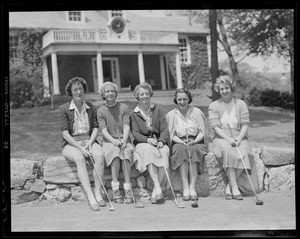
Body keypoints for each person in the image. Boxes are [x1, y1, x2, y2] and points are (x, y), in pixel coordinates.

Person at [58, 77, 106, 211]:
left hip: (89, 140)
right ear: (71, 92)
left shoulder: (91, 107)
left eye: (81, 89)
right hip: (71, 144)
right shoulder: (64, 109)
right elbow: (65, 134)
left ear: (84, 90)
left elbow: (96, 127)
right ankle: (90, 196)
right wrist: (80, 147)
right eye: (75, 89)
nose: (79, 91)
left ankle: (98, 193)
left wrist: (90, 143)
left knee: (100, 155)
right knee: (79, 158)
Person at [208, 75, 252, 200]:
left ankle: (230, 186)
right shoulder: (214, 105)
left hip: (239, 135)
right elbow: (215, 127)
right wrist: (228, 139)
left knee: (244, 153)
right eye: (221, 89)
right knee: (229, 152)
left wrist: (239, 139)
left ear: (231, 87)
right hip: (221, 137)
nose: (224, 91)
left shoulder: (241, 104)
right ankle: (236, 189)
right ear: (218, 90)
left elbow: (245, 124)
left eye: (227, 88)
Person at [130, 82, 170, 204]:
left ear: (150, 95)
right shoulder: (134, 114)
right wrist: (147, 140)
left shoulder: (158, 110)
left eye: (147, 93)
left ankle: (155, 192)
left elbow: (164, 129)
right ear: (137, 96)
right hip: (142, 143)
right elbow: (135, 133)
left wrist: (162, 141)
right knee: (147, 150)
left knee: (164, 151)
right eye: (142, 94)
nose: (145, 96)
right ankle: (158, 187)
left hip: (158, 141)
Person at [166, 88, 208, 201]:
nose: (182, 102)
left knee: (193, 150)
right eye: (179, 99)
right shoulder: (171, 114)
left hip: (196, 140)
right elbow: (172, 134)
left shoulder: (197, 112)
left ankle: (192, 187)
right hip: (179, 141)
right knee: (181, 150)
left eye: (185, 99)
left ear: (189, 99)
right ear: (176, 100)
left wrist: (194, 141)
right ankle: (185, 187)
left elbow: (202, 132)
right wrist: (181, 141)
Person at [97, 82, 135, 204]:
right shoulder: (101, 110)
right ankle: (115, 188)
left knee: (126, 152)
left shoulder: (123, 107)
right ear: (103, 94)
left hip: (123, 138)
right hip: (109, 141)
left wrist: (124, 140)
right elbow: (103, 131)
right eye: (107, 91)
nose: (110, 93)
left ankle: (128, 188)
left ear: (116, 93)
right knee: (115, 152)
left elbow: (126, 125)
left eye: (112, 91)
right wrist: (114, 141)